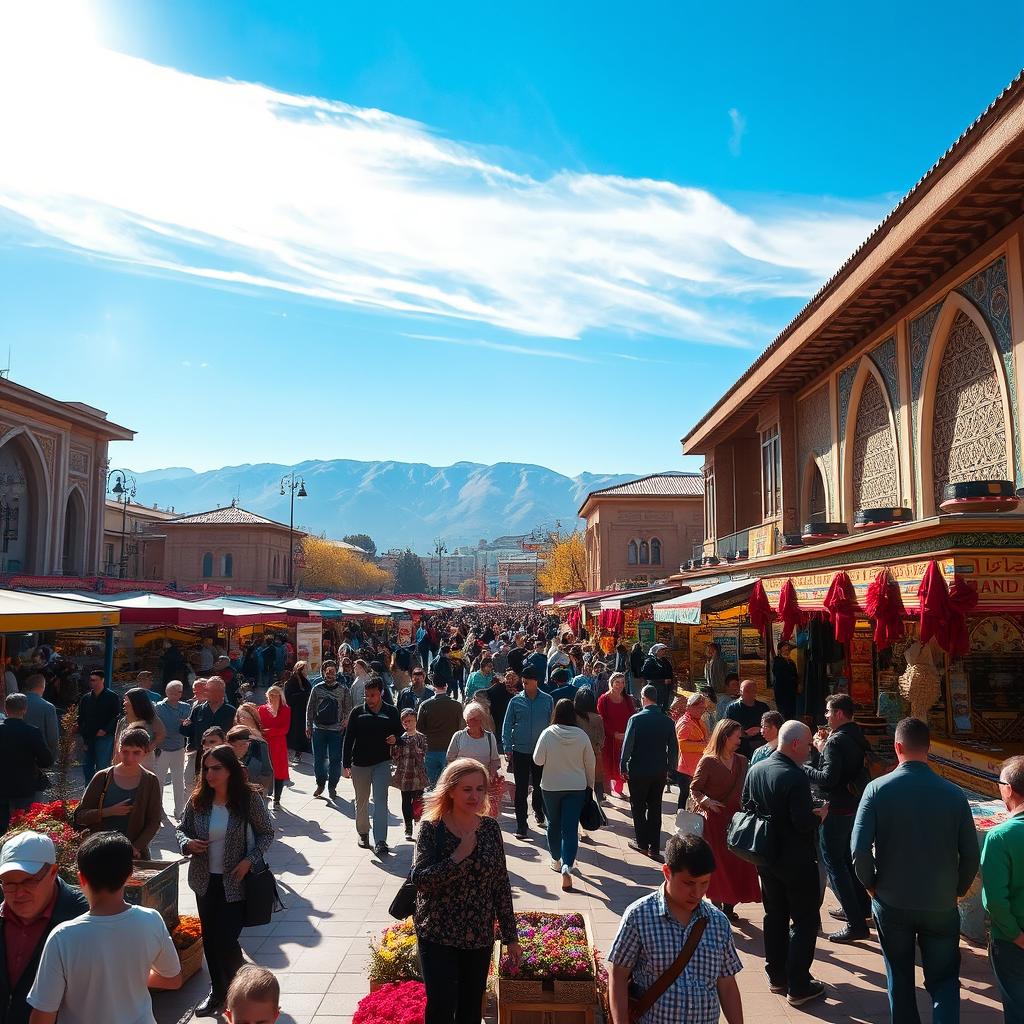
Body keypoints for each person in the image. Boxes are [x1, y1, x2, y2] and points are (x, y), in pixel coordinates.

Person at [852, 717, 979, 1024]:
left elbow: (858, 850)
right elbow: (972, 854)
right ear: (929, 749)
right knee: (945, 979)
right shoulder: (954, 794)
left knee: (899, 974)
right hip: (940, 902)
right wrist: (958, 889)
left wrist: (871, 885)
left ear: (897, 747)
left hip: (891, 899)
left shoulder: (876, 789)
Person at [25, 832, 181, 1024]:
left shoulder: (63, 937)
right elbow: (173, 979)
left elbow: (42, 1015)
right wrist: (131, 976)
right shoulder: (151, 920)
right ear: (129, 876)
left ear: (81, 879)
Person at [411, 759, 521, 1024]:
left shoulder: (490, 829)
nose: (474, 796)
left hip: (478, 935)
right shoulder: (431, 828)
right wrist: (457, 857)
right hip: (438, 933)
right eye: (467, 789)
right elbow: (420, 880)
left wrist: (510, 936)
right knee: (441, 1004)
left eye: (480, 789)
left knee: (471, 1008)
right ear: (450, 790)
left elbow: (500, 884)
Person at [176, 743, 274, 1017]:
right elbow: (181, 829)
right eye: (206, 769)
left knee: (226, 939)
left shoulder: (248, 799)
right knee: (210, 938)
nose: (209, 774)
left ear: (231, 770)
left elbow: (267, 834)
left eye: (216, 768)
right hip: (204, 881)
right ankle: (218, 992)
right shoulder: (198, 799)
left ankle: (242, 989)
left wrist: (248, 861)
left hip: (236, 881)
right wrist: (187, 844)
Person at [607, 834, 743, 1024]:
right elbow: (618, 975)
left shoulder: (718, 922)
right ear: (667, 872)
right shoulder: (638, 916)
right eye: (689, 883)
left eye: (704, 883)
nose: (697, 893)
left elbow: (727, 984)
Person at [743, 720, 827, 1006]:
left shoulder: (756, 769)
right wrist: (820, 814)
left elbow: (746, 807)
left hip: (766, 858)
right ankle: (799, 985)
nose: (809, 750)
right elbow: (802, 823)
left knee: (775, 915)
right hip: (796, 860)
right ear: (794, 745)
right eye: (806, 745)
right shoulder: (795, 776)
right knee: (805, 920)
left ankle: (777, 976)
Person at [0, 831, 88, 1024]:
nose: (18, 893)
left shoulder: (83, 917)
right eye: (9, 883)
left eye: (28, 881)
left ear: (53, 872)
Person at [804, 693, 871, 942]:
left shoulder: (835, 742)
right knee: (844, 858)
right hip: (851, 806)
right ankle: (861, 908)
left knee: (835, 864)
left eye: (829, 711)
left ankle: (856, 923)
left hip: (835, 808)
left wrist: (807, 766)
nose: (826, 716)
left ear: (840, 714)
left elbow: (828, 778)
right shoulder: (856, 735)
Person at [691, 719, 761, 920]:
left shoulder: (742, 761)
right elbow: (694, 788)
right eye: (737, 736)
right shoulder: (708, 761)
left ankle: (729, 908)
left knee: (736, 862)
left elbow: (747, 790)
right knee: (717, 864)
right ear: (725, 736)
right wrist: (706, 801)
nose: (740, 740)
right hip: (714, 820)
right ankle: (717, 906)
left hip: (737, 820)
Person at [533, 699, 595, 891]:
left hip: (551, 786)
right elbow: (590, 763)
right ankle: (568, 864)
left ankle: (556, 860)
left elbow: (537, 759)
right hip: (576, 787)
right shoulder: (581, 735)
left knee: (553, 824)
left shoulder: (548, 733)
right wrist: (590, 786)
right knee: (570, 827)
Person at [75, 726, 162, 859]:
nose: (129, 757)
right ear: (118, 749)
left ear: (145, 752)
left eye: (136, 752)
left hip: (134, 855)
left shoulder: (150, 780)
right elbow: (80, 816)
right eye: (125, 751)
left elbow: (154, 821)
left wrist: (136, 847)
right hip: (100, 852)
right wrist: (107, 812)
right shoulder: (102, 777)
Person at [982, 754, 1024, 1022]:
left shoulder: (999, 837)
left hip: (1012, 941)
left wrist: (1017, 936)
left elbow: (995, 901)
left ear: (1008, 788)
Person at [343, 677, 401, 857]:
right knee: (362, 800)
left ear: (381, 693)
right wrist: (345, 764)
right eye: (366, 695)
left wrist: (395, 739)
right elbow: (348, 738)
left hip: (382, 763)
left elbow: (400, 732)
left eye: (373, 695)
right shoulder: (357, 712)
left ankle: (381, 840)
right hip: (359, 764)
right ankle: (363, 833)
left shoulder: (391, 711)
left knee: (381, 801)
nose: (369, 699)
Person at [620, 685, 679, 862]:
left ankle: (642, 843)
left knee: (638, 807)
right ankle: (654, 847)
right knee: (655, 807)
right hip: (659, 770)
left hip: (638, 770)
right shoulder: (667, 721)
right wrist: (671, 769)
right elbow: (674, 749)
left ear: (644, 697)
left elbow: (628, 745)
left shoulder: (636, 719)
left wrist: (623, 765)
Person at [501, 666, 554, 840]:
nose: (524, 685)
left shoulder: (547, 700)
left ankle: (538, 810)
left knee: (540, 786)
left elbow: (552, 724)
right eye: (523, 682)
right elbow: (507, 724)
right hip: (520, 751)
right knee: (521, 789)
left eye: (527, 682)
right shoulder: (515, 701)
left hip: (541, 751)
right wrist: (507, 746)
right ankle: (521, 824)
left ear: (536, 681)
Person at [0, 695, 52, 835]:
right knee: (23, 826)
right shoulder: (32, 732)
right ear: (25, 709)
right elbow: (46, 760)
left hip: (2, 787)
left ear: (6, 709)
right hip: (24, 786)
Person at [305, 661, 352, 801]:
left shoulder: (343, 689)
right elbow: (310, 708)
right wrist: (308, 725)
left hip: (335, 730)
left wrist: (346, 720)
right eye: (327, 671)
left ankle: (332, 786)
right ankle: (320, 783)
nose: (330, 674)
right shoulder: (316, 688)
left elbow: (349, 708)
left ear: (336, 672)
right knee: (319, 759)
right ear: (324, 672)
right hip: (319, 729)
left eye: (332, 671)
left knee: (335, 759)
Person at [181, 678, 237, 775]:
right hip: (202, 756)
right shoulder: (198, 710)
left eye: (209, 690)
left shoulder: (231, 711)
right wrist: (184, 726)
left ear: (221, 692)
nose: (205, 692)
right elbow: (188, 731)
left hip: (223, 756)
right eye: (206, 689)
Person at [417, 678, 465, 788]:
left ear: (433, 686)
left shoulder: (425, 705)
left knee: (432, 785)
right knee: (448, 785)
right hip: (450, 749)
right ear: (446, 686)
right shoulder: (457, 705)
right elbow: (461, 728)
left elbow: (419, 729)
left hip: (430, 749)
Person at [154, 681, 192, 818]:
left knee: (178, 780)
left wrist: (187, 724)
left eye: (180, 691)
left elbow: (189, 724)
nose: (178, 694)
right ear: (168, 692)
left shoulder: (187, 707)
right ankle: (158, 809)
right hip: (162, 748)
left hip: (179, 748)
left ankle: (179, 810)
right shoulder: (158, 708)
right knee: (159, 780)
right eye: (175, 691)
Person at [76, 670, 119, 783]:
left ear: (102, 680)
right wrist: (84, 738)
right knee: (87, 766)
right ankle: (89, 789)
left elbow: (116, 716)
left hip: (105, 737)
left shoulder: (112, 697)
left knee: (102, 766)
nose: (92, 682)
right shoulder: (86, 698)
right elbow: (81, 718)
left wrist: (105, 730)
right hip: (89, 737)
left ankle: (102, 791)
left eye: (94, 680)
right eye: (91, 680)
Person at [392, 709, 428, 841]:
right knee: (406, 801)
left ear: (416, 721)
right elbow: (395, 757)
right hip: (404, 773)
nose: (408, 724)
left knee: (418, 801)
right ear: (402, 723)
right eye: (405, 722)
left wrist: (417, 751)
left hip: (418, 774)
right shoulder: (401, 738)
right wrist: (395, 748)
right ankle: (408, 827)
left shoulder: (421, 737)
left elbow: (423, 752)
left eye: (410, 721)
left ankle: (418, 823)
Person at [113, 687, 166, 774]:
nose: (124, 703)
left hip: (144, 761)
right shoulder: (123, 720)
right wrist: (116, 759)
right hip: (124, 759)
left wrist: (148, 748)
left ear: (135, 702)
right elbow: (117, 740)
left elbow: (161, 734)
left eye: (126, 700)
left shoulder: (151, 719)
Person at [598, 673, 634, 798]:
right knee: (607, 764)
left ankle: (619, 789)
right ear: (611, 683)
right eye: (617, 682)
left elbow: (632, 717)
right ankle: (606, 792)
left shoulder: (628, 699)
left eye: (622, 682)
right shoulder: (604, 699)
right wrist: (614, 734)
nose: (620, 685)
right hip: (609, 738)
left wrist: (627, 734)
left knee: (622, 763)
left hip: (625, 737)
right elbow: (602, 719)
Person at [674, 692, 710, 810]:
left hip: (695, 767)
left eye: (703, 708)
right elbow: (681, 745)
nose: (702, 711)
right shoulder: (685, 723)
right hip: (686, 769)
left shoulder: (697, 720)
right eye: (700, 708)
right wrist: (703, 746)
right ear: (690, 707)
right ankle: (681, 821)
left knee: (692, 798)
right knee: (685, 796)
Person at [257, 685, 291, 808]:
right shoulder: (261, 709)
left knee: (279, 772)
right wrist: (266, 732)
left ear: (280, 696)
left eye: (275, 695)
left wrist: (267, 732)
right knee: (263, 771)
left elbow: (284, 729)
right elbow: (258, 727)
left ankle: (277, 799)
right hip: (265, 744)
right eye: (270, 695)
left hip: (278, 745)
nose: (272, 697)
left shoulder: (286, 710)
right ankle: (262, 796)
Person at [446, 704, 501, 776]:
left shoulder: (490, 737)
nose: (470, 722)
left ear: (481, 720)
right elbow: (450, 758)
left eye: (474, 719)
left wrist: (491, 775)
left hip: (483, 779)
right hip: (462, 778)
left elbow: (494, 760)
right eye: (469, 719)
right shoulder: (458, 736)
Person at [723, 680, 770, 760]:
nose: (750, 694)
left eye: (753, 691)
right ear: (740, 692)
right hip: (740, 745)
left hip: (760, 743)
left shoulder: (763, 707)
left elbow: (771, 725)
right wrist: (742, 733)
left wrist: (760, 729)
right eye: (747, 691)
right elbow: (725, 728)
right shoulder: (733, 708)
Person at [573, 687, 605, 801]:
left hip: (576, 756)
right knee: (595, 787)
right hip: (594, 755)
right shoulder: (597, 718)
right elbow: (601, 740)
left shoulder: (573, 717)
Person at [19, 675, 57, 762]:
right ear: (43, 687)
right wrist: (52, 757)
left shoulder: (15, 703)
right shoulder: (48, 707)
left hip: (17, 753)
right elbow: (52, 737)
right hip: (39, 755)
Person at [227, 726, 274, 794]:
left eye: (242, 745)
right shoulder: (226, 750)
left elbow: (267, 771)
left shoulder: (260, 746)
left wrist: (264, 790)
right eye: (232, 746)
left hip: (256, 789)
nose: (234, 749)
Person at [284, 661, 312, 764]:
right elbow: (288, 697)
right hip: (295, 713)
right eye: (305, 669)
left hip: (303, 712)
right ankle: (291, 754)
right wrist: (303, 695)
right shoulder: (292, 681)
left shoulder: (305, 681)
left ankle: (298, 754)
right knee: (294, 734)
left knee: (301, 734)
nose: (307, 671)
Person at [640, 644, 674, 711]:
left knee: (665, 704)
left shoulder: (664, 660)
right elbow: (646, 674)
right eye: (662, 650)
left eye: (664, 650)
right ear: (657, 651)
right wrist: (662, 680)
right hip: (655, 687)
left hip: (665, 687)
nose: (664, 652)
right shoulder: (650, 661)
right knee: (656, 703)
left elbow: (669, 670)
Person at [771, 642, 799, 721]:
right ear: (780, 651)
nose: (787, 651)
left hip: (791, 689)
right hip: (781, 689)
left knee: (792, 710)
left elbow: (795, 674)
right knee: (783, 710)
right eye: (785, 649)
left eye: (788, 650)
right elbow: (778, 674)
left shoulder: (791, 662)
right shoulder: (777, 661)